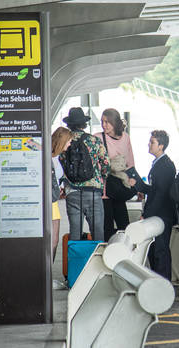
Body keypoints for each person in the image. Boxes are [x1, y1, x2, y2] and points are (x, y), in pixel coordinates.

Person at [60, 107, 110, 241]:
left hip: (72, 192)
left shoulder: (65, 141)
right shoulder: (94, 141)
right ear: (84, 124)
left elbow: (60, 164)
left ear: (69, 124)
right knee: (97, 233)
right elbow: (106, 164)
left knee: (75, 234)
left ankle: (76, 261)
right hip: (93, 191)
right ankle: (96, 260)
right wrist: (102, 178)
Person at [135, 130, 176, 280]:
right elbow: (154, 190)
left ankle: (163, 283)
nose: (149, 144)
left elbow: (160, 194)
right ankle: (158, 282)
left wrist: (146, 214)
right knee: (155, 250)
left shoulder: (165, 165)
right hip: (159, 213)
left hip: (162, 215)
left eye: (152, 142)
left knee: (160, 250)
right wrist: (138, 185)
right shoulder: (159, 164)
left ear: (161, 146)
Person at [98, 108, 136, 240]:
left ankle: (123, 255)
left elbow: (130, 162)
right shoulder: (98, 138)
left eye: (107, 122)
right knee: (106, 228)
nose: (104, 125)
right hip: (105, 190)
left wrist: (135, 182)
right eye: (102, 121)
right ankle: (106, 256)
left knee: (124, 226)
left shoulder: (125, 138)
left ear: (114, 122)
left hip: (120, 186)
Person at [50, 127, 72, 262]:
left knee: (55, 239)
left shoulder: (59, 157)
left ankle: (48, 271)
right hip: (48, 202)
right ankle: (45, 272)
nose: (69, 144)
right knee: (52, 239)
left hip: (54, 202)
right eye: (68, 141)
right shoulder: (47, 157)